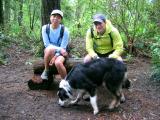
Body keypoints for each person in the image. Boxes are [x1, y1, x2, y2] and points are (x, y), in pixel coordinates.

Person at [41, 9, 69, 80]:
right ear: (50, 17)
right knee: (49, 49)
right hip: (49, 52)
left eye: (58, 17)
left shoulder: (65, 30)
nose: (55, 18)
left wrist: (55, 57)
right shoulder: (45, 28)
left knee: (58, 63)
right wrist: (59, 50)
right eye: (54, 16)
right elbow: (47, 45)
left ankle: (66, 83)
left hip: (60, 54)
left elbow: (63, 48)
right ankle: (46, 70)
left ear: (61, 20)